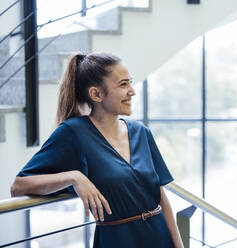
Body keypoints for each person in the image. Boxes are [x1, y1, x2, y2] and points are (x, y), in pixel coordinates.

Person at [10, 53, 183, 248]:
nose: (132, 91)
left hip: (160, 237)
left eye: (130, 83)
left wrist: (179, 246)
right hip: (118, 241)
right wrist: (74, 177)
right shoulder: (73, 133)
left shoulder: (141, 132)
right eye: (123, 84)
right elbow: (19, 186)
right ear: (96, 94)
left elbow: (160, 196)